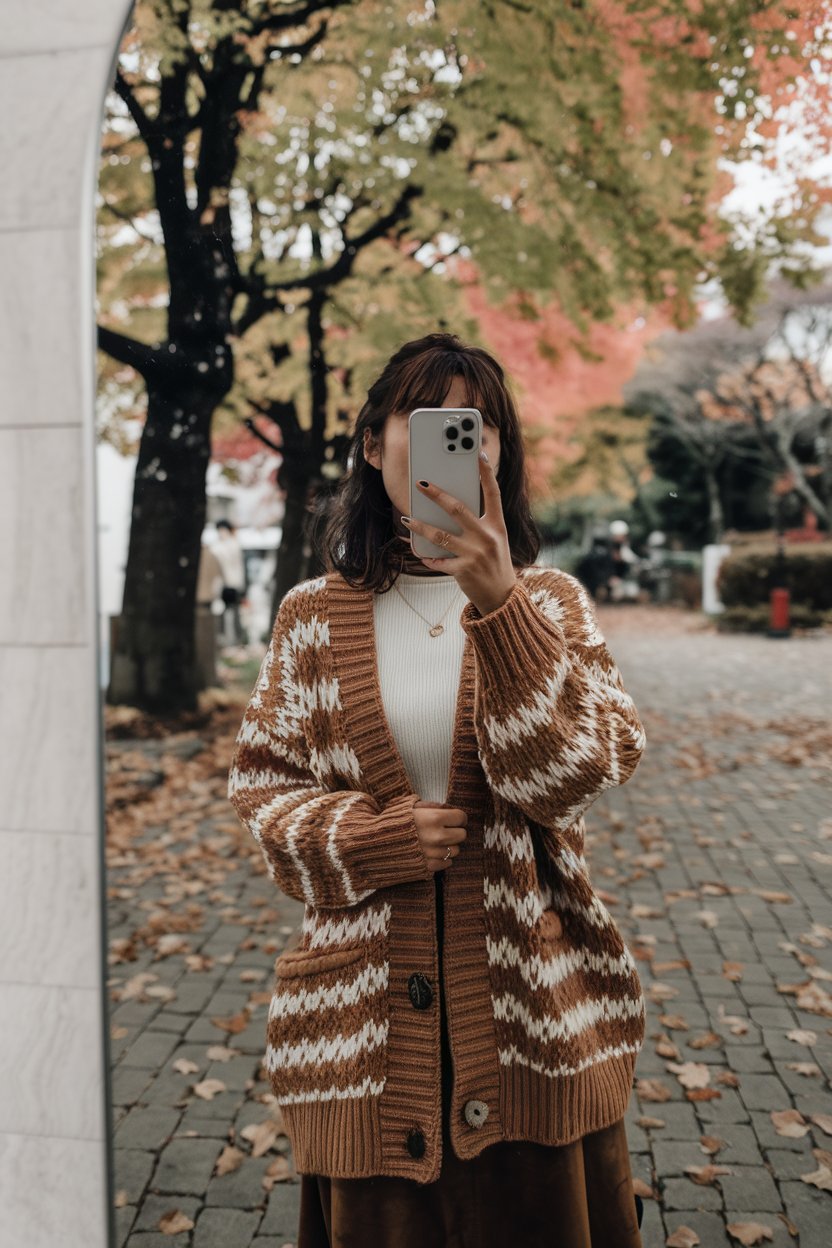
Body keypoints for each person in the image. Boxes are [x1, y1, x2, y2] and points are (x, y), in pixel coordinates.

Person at [227, 332, 647, 1247]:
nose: (456, 440)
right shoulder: (309, 617)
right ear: (373, 445)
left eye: (476, 424)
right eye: (424, 419)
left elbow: (565, 777)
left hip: (536, 1022)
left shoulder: (555, 605)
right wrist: (374, 839)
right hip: (363, 1045)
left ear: (498, 450)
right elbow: (265, 794)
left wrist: (500, 604)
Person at [213, 519, 247, 645]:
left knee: (233, 612)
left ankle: (234, 640)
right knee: (224, 612)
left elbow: (238, 567)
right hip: (222, 584)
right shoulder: (218, 546)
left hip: (233, 583)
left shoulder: (234, 545)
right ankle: (226, 639)